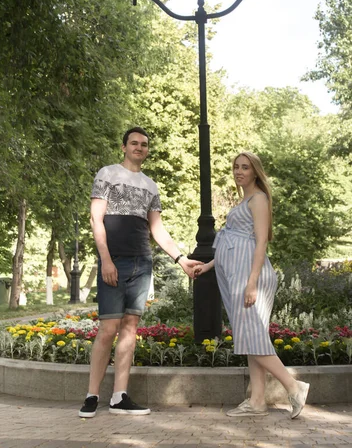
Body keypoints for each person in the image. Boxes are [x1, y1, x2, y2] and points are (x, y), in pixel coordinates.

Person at [79, 126, 202, 418]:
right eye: (134, 143)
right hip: (114, 261)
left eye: (144, 144)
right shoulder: (106, 174)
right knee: (108, 329)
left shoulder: (150, 185)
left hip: (142, 262)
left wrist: (181, 259)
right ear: (124, 147)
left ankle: (119, 396)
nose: (139, 147)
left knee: (130, 330)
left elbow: (156, 228)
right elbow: (97, 219)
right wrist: (105, 259)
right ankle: (92, 395)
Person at [194, 151, 310, 419]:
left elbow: (260, 242)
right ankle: (257, 402)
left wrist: (252, 283)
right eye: (236, 167)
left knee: (252, 336)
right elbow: (232, 243)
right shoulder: (244, 199)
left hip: (249, 276)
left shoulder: (258, 199)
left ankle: (294, 386)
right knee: (251, 336)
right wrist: (209, 265)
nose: (239, 171)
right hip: (239, 275)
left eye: (245, 167)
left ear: (255, 171)